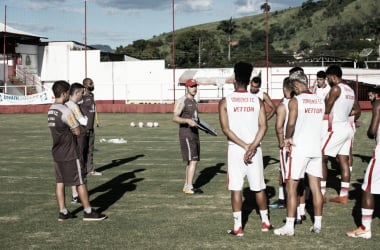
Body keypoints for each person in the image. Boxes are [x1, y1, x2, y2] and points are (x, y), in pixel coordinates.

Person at [219, 61, 272, 237]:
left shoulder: (225, 101)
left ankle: (238, 227)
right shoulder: (257, 100)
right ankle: (265, 223)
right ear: (250, 80)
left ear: (235, 78)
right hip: (255, 150)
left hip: (236, 149)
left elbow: (226, 130)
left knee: (236, 188)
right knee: (259, 187)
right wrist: (252, 146)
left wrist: (244, 146)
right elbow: (264, 127)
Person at [274, 71, 325, 236]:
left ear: (295, 85)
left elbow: (291, 123)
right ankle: (317, 224)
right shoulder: (319, 100)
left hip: (299, 148)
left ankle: (289, 226)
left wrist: (287, 138)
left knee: (291, 186)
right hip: (315, 148)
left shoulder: (296, 101)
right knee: (316, 188)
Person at [47, 80, 106, 221]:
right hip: (70, 151)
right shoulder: (65, 110)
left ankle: (63, 211)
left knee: (60, 182)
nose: (68, 95)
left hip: (57, 151)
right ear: (63, 93)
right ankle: (88, 211)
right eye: (67, 92)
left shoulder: (51, 109)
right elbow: (77, 131)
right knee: (80, 181)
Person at [321, 65, 361, 204]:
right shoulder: (349, 89)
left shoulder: (336, 88)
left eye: (327, 78)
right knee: (344, 160)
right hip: (347, 128)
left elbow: (326, 109)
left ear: (332, 76)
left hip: (336, 128)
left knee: (320, 157)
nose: (327, 81)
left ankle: (321, 193)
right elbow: (358, 110)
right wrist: (345, 115)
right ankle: (343, 195)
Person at [345, 91, 380, 239]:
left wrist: (370, 132)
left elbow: (372, 132)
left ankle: (365, 228)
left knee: (368, 188)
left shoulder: (378, 104)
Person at [172, 79, 203, 195]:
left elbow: (195, 119)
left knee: (191, 161)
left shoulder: (194, 101)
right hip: (186, 134)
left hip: (194, 133)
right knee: (193, 160)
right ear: (187, 87)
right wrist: (187, 121)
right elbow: (175, 117)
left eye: (195, 86)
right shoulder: (182, 100)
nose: (194, 88)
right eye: (191, 86)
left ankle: (187, 185)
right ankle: (189, 187)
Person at [270, 77, 293, 210]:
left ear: (284, 89)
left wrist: (281, 143)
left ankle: (285, 200)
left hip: (287, 144)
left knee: (285, 174)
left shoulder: (284, 105)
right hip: (301, 142)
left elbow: (279, 127)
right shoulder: (300, 101)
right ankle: (301, 205)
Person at [66, 82, 88, 204]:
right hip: (77, 137)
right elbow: (83, 121)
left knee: (72, 166)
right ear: (76, 93)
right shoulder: (73, 106)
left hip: (68, 138)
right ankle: (79, 194)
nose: (83, 95)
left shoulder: (66, 104)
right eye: (81, 92)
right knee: (79, 166)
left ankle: (74, 194)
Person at [80, 78, 102, 176]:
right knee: (82, 151)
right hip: (83, 128)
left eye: (92, 82)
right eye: (90, 83)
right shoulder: (81, 97)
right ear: (85, 85)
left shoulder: (92, 95)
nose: (92, 84)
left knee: (90, 150)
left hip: (91, 127)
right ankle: (81, 170)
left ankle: (90, 170)